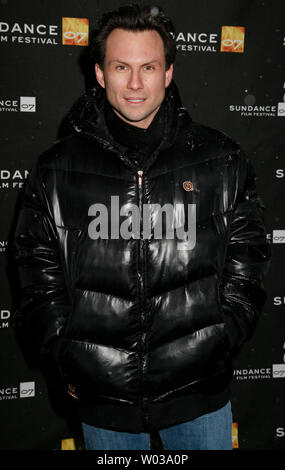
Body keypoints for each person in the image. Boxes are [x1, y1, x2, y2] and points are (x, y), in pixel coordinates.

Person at [14, 4, 271, 450]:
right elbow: (36, 269)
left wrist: (221, 335)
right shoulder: (58, 169)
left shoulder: (221, 160)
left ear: (168, 73)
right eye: (121, 67)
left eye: (148, 67)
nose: (135, 84)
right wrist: (67, 352)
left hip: (199, 396)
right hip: (103, 398)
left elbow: (247, 259)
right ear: (99, 73)